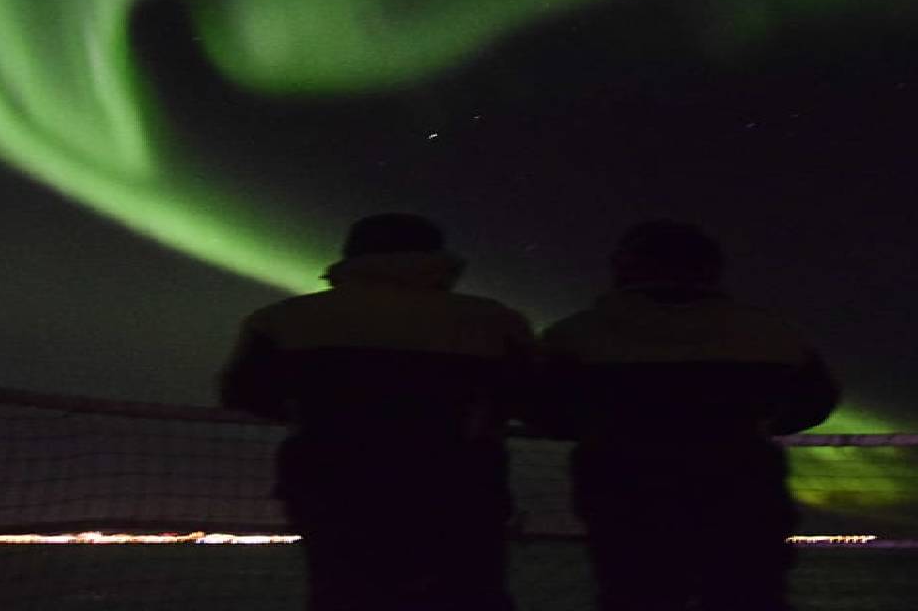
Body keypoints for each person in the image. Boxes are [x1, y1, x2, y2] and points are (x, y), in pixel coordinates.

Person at [220, 213, 533, 611]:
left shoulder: (282, 319)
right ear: (438, 257)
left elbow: (243, 391)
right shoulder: (493, 320)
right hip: (459, 488)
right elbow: (529, 396)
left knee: (345, 594)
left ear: (351, 255)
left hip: (332, 486)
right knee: (466, 594)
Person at [528, 220, 839, 611]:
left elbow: (538, 405)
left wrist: (591, 430)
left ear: (624, 268)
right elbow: (815, 401)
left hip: (624, 488)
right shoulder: (768, 332)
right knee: (746, 593)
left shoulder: (576, 335)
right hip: (740, 485)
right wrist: (764, 425)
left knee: (635, 592)